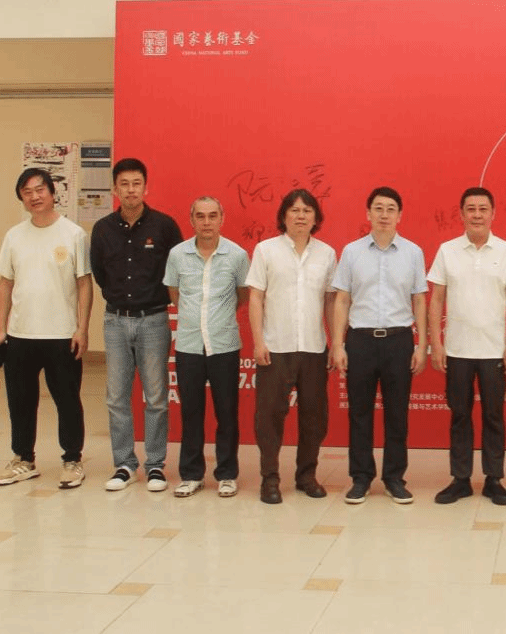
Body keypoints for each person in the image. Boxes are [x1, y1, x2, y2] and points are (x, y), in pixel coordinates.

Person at [0, 168, 92, 489]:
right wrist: (1, 329)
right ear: (21, 198)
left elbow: (84, 283)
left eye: (39, 190)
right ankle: (24, 459)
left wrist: (82, 328)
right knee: (20, 401)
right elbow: (5, 284)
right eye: (27, 192)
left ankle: (72, 460)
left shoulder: (73, 234)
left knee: (67, 400)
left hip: (62, 335)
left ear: (52, 193)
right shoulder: (14, 236)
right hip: (20, 335)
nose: (34, 196)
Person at [427, 187, 506, 506]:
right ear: (461, 214)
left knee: (494, 416)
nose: (477, 215)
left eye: (483, 209)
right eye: (471, 209)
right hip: (457, 350)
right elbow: (436, 299)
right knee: (459, 415)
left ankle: (494, 479)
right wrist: (436, 344)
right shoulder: (448, 250)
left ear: (493, 214)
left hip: (494, 350)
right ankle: (461, 479)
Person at [331, 187, 428, 505]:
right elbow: (342, 299)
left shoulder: (413, 252)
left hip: (399, 340)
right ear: (368, 213)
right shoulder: (351, 252)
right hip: (360, 340)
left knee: (397, 413)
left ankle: (394, 478)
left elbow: (419, 299)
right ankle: (360, 478)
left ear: (400, 215)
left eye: (390, 209)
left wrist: (421, 344)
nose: (384, 214)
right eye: (378, 208)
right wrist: (338, 344)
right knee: (359, 413)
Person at [91, 158, 182, 493]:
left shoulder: (164, 226)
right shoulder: (102, 229)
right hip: (115, 321)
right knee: (116, 397)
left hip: (153, 320)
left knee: (156, 397)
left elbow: (177, 271)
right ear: (115, 189)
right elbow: (100, 274)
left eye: (136, 183)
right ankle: (125, 464)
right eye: (124, 184)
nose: (131, 190)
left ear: (146, 187)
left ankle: (155, 464)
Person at [246, 189, 337, 505]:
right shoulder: (266, 250)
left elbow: (330, 301)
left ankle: (306, 476)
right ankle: (270, 478)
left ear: (315, 217)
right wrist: (258, 341)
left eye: (307, 210)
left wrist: (335, 342)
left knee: (314, 416)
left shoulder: (327, 253)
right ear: (283, 216)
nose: (301, 216)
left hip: (313, 347)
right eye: (294, 210)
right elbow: (256, 297)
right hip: (275, 346)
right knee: (269, 417)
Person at [164, 196, 250, 499]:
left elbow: (243, 295)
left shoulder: (237, 255)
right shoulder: (177, 254)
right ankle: (191, 474)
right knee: (191, 413)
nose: (206, 222)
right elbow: (175, 293)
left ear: (221, 218)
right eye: (200, 216)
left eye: (212, 216)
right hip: (188, 344)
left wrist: (218, 318)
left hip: (224, 344)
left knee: (227, 413)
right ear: (191, 220)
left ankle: (227, 474)